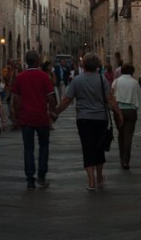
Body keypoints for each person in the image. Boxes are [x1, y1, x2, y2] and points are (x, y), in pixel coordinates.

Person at [55, 52, 123, 191]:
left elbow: (67, 100)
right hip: (100, 119)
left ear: (83, 65)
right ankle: (99, 176)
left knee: (87, 148)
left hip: (83, 119)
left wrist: (55, 113)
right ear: (97, 65)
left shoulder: (77, 80)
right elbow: (110, 98)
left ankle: (91, 181)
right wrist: (119, 113)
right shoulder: (101, 79)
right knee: (99, 148)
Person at [12, 50, 57, 189]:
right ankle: (41, 176)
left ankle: (30, 179)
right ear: (37, 62)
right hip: (41, 117)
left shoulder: (20, 77)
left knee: (28, 149)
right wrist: (52, 111)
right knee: (44, 147)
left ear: (26, 61)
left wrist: (17, 117)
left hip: (26, 118)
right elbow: (50, 97)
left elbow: (16, 100)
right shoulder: (43, 76)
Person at [112, 63, 141, 169]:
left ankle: (122, 157)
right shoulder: (135, 82)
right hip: (131, 110)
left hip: (119, 110)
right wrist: (136, 106)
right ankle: (126, 160)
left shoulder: (116, 81)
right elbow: (139, 95)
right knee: (128, 136)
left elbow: (112, 94)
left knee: (121, 134)